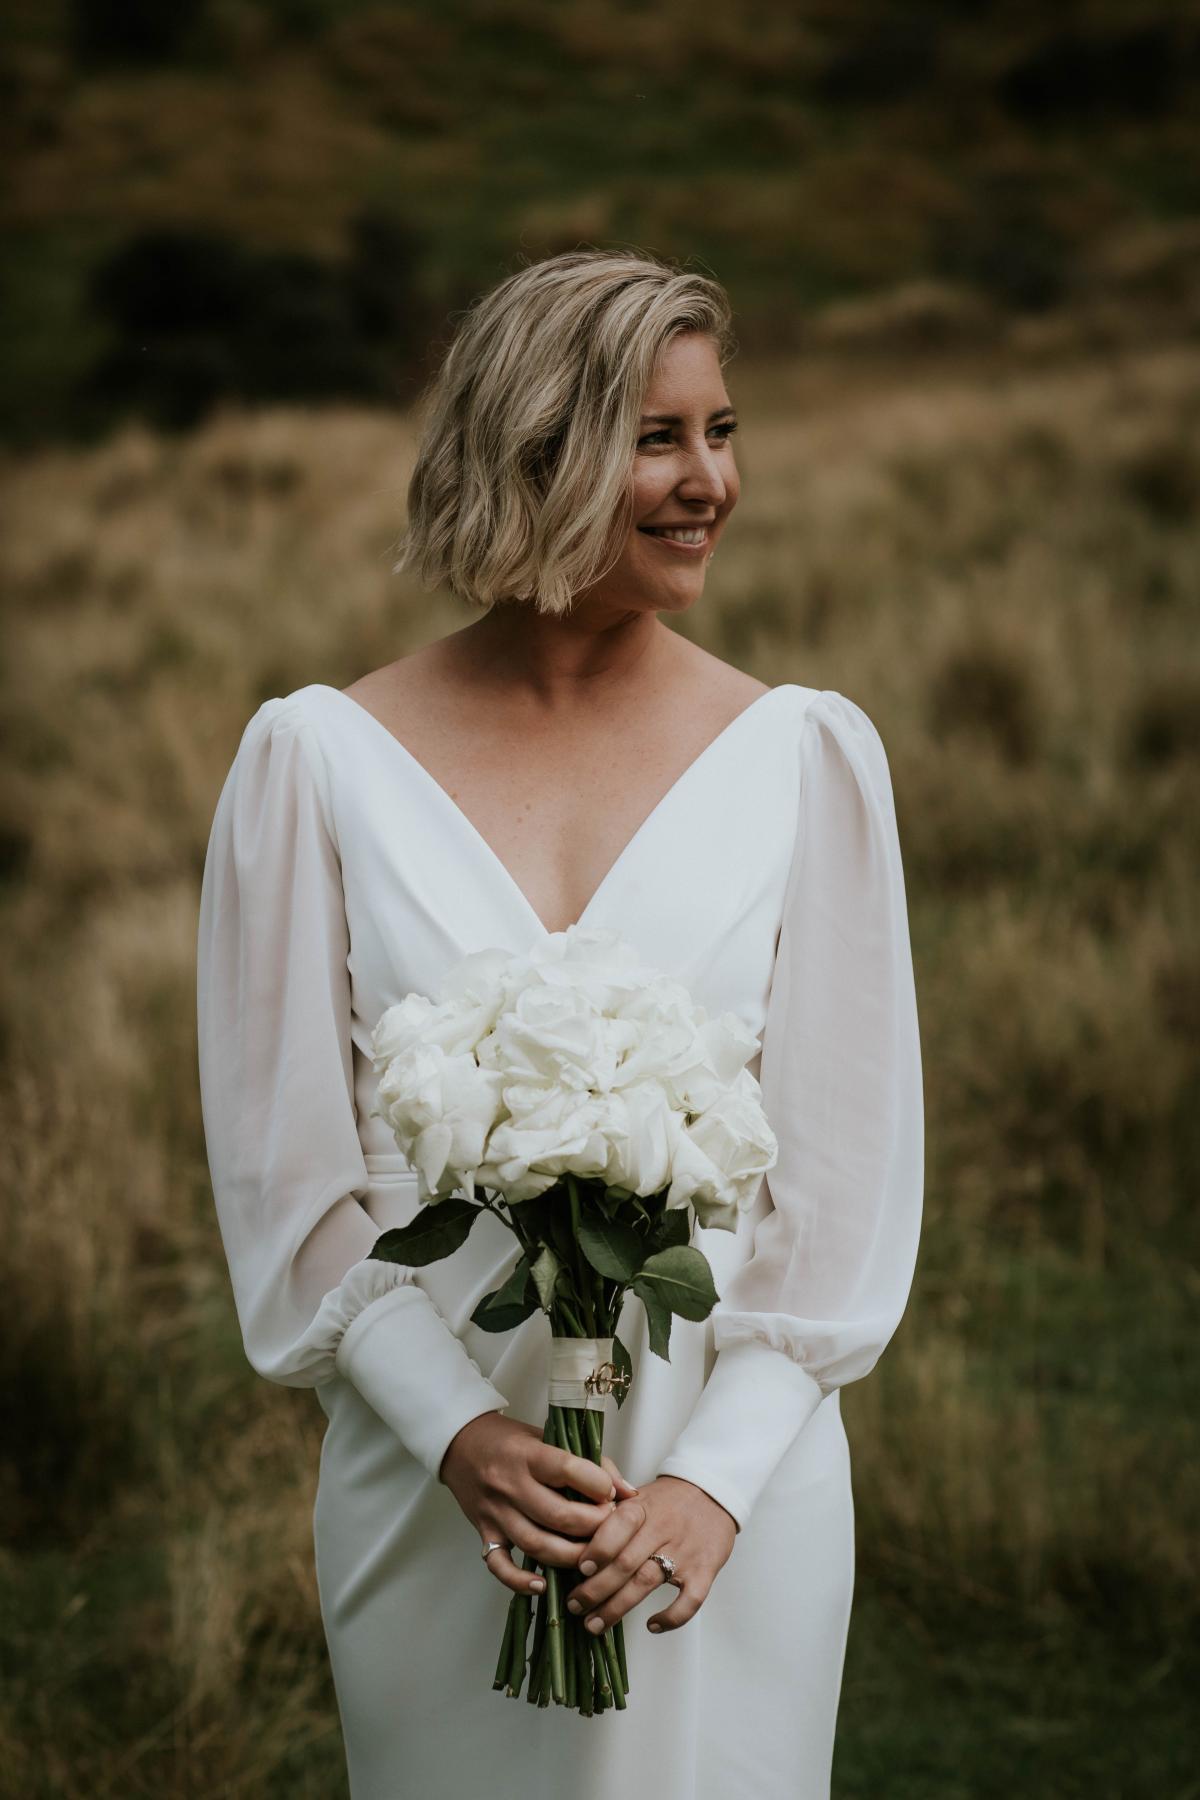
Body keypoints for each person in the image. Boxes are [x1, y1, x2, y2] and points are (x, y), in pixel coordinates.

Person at [195, 248, 924, 1799]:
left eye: (722, 431)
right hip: (433, 1486)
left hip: (728, 1492)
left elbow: (841, 1201)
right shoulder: (312, 764)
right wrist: (453, 1430)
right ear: (536, 446)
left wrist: (713, 1485)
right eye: (657, 438)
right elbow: (292, 1187)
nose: (709, 481)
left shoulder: (808, 759)